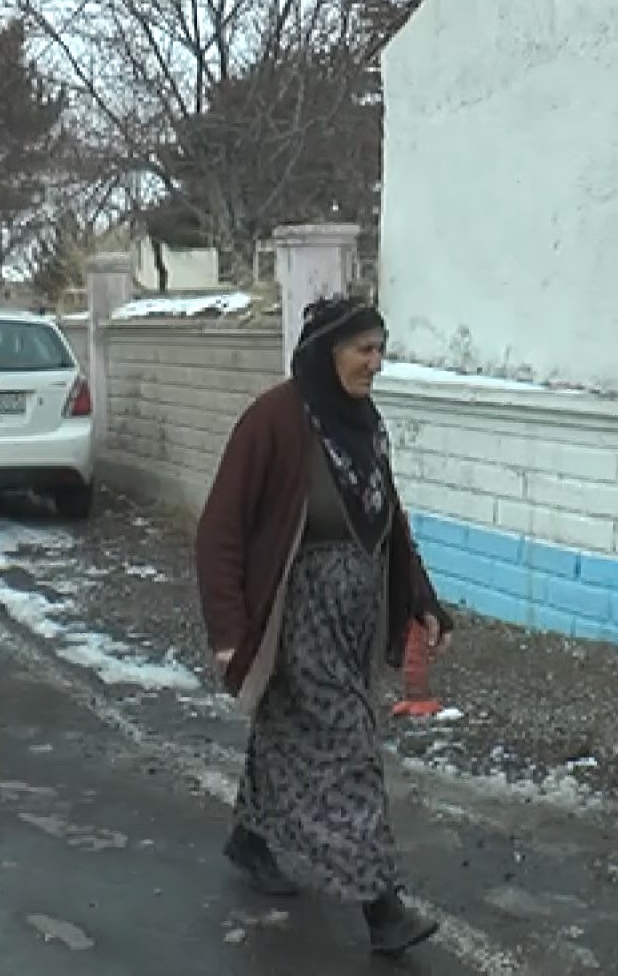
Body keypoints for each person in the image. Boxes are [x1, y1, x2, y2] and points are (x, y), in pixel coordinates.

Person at [194, 294, 450, 957]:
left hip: (354, 622)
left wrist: (420, 597)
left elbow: (388, 518)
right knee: (349, 745)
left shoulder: (363, 423)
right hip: (297, 617)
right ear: (325, 353)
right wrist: (229, 631)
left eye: (380, 349)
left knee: (285, 724)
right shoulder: (274, 421)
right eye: (364, 349)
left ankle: (250, 837)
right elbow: (219, 529)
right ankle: (382, 908)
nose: (376, 362)